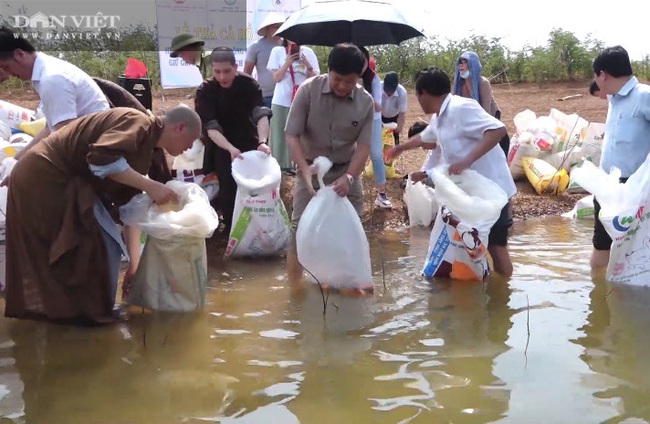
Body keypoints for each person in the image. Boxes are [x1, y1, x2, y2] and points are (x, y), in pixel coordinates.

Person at [3, 105, 201, 324]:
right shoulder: (138, 122)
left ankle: (82, 314)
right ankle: (85, 315)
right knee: (87, 245)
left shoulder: (146, 149)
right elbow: (100, 158)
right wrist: (152, 186)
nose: (189, 149)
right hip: (45, 177)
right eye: (190, 142)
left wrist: (134, 266)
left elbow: (130, 209)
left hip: (55, 180)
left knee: (105, 246)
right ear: (179, 128)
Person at [386, 67, 516, 277]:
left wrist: (467, 160)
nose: (417, 100)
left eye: (417, 95)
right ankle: (485, 288)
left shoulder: (461, 107)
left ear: (423, 93)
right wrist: (400, 148)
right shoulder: (441, 116)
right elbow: (425, 137)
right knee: (472, 244)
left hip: (493, 189)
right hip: (471, 193)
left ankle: (503, 296)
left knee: (496, 246)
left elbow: (498, 130)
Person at [284, 43, 373, 284]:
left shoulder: (365, 103)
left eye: (350, 81)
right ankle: (296, 292)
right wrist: (303, 169)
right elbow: (291, 134)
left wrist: (350, 177)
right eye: (337, 80)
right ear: (328, 71)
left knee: (348, 230)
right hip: (311, 169)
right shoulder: (308, 91)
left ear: (359, 76)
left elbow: (363, 146)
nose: (343, 86)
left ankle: (342, 284)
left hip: (347, 169)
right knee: (300, 229)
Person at [0, 27, 109, 163]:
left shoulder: (52, 78)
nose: (9, 74)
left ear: (20, 54)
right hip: (84, 142)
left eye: (6, 67)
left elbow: (64, 137)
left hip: (95, 151)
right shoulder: (44, 72)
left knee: (24, 177)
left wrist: (22, 165)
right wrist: (17, 159)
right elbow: (51, 128)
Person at [194, 47, 272, 232]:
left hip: (250, 143)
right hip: (221, 146)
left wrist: (262, 142)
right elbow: (210, 127)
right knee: (227, 189)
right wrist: (230, 149)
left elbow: (261, 114)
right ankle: (231, 231)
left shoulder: (249, 85)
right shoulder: (205, 90)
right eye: (217, 71)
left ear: (235, 66)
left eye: (227, 71)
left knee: (254, 188)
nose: (222, 77)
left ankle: (258, 230)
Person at [590, 45, 650, 270]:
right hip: (607, 185)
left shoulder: (644, 96)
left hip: (636, 189)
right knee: (601, 244)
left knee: (638, 247)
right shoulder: (614, 99)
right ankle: (598, 299)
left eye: (595, 76)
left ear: (602, 75)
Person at [267, 37, 319, 173]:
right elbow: (276, 78)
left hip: (302, 99)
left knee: (301, 134)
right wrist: (287, 62)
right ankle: (279, 167)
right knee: (279, 135)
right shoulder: (277, 51)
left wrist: (307, 64)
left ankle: (299, 165)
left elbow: (315, 79)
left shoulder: (308, 52)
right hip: (281, 100)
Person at [452, 51, 510, 156]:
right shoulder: (458, 85)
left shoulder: (483, 83)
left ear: (472, 65)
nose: (461, 64)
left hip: (489, 116)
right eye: (460, 62)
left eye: (465, 62)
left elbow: (485, 111)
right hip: (470, 118)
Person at [358, 46, 391, 209]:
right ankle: (353, 191)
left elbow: (378, 107)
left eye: (362, 61)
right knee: (351, 154)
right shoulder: (347, 76)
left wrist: (361, 93)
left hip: (373, 119)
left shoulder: (374, 79)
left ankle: (381, 193)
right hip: (352, 120)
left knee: (376, 154)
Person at [243, 13, 285, 108]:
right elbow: (247, 73)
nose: (280, 29)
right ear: (268, 27)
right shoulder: (256, 46)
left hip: (284, 96)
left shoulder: (286, 45)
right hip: (265, 96)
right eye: (277, 26)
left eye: (281, 26)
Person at [381, 71, 407, 145]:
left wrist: (399, 126)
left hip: (394, 117)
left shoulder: (402, 92)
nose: (389, 93)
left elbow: (402, 112)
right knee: (381, 141)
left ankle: (395, 153)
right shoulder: (378, 88)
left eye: (391, 91)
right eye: (387, 90)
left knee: (395, 142)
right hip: (380, 115)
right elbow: (374, 108)